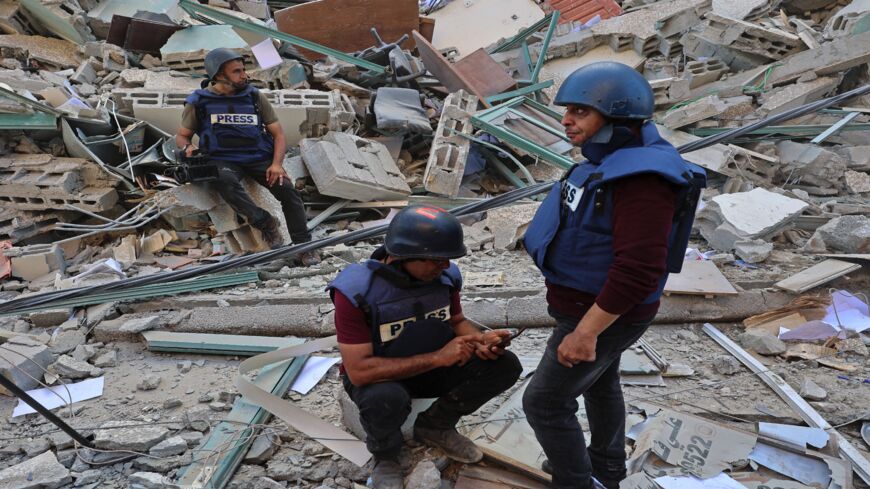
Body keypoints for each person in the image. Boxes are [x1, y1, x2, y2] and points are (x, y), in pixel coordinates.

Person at [521, 62, 707, 489]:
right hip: (589, 306)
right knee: (600, 384)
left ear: (619, 117)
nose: (566, 120)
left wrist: (585, 333)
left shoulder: (641, 179)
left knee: (545, 402)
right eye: (567, 109)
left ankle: (576, 482)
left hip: (600, 313)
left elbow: (639, 270)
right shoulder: (614, 161)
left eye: (581, 111)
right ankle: (605, 467)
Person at [328, 206, 522, 489]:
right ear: (404, 255)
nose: (445, 266)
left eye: (448, 260)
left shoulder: (444, 278)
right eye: (436, 260)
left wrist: (481, 339)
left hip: (432, 366)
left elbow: (456, 320)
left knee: (505, 365)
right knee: (384, 398)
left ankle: (435, 425)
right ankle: (386, 455)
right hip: (381, 374)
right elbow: (358, 372)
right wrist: (439, 358)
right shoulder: (356, 292)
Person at [175, 48, 319, 265]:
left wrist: (277, 164)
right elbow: (182, 136)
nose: (245, 75)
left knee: (289, 194)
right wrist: (187, 148)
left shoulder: (253, 96)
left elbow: (278, 134)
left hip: (259, 157)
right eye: (237, 71)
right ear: (218, 75)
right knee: (223, 180)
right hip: (223, 159)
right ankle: (264, 222)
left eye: (243, 70)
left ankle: (304, 247)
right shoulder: (198, 101)